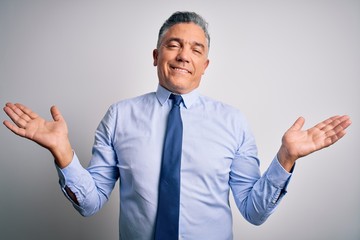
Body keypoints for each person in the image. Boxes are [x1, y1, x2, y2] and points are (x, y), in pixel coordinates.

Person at [2, 11, 351, 240]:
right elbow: (90, 203)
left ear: (205, 64)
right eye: (174, 45)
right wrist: (62, 152)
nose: (184, 55)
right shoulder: (119, 116)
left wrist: (286, 158)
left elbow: (253, 211)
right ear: (157, 56)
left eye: (196, 50)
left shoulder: (233, 121)